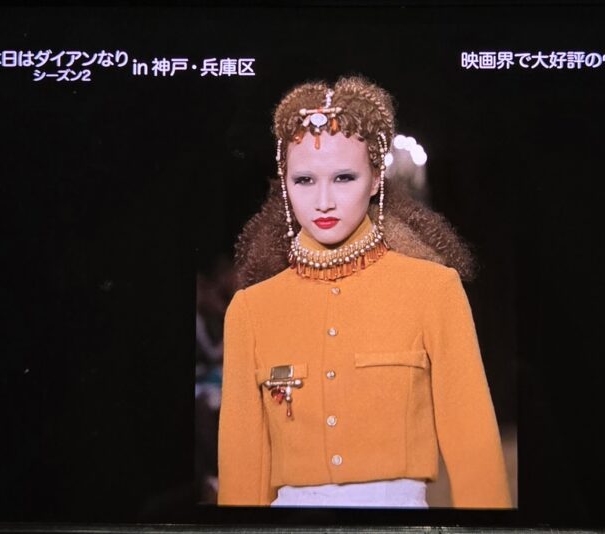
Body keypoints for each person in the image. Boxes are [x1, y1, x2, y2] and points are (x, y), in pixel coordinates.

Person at [217, 76, 511, 508]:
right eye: (304, 180)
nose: (323, 201)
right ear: (284, 183)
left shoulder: (433, 290)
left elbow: (474, 449)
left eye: (344, 177)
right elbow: (242, 474)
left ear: (375, 179)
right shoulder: (251, 310)